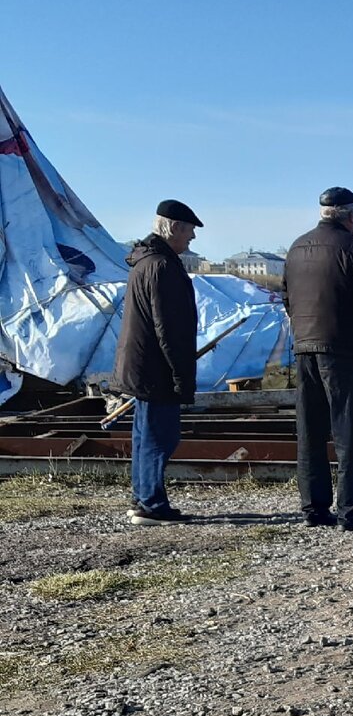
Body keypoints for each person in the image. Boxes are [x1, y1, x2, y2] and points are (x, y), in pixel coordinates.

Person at [282, 187, 353, 531]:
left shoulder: (295, 248)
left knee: (311, 428)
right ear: (351, 216)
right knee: (351, 428)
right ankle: (351, 508)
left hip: (304, 346)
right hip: (343, 348)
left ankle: (314, 507)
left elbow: (287, 297)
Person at [112, 199, 202, 526]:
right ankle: (150, 504)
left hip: (142, 363)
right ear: (175, 227)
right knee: (159, 436)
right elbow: (170, 327)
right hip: (156, 367)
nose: (192, 238)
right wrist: (180, 373)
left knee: (145, 434)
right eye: (190, 231)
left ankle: (143, 497)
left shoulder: (144, 262)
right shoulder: (163, 266)